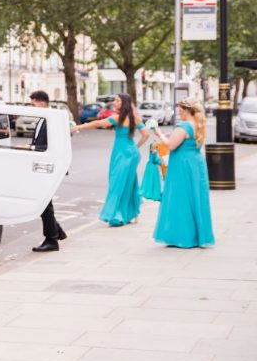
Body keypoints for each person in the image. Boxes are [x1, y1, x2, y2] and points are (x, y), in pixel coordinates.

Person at [72, 92, 149, 226]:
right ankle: (131, 213)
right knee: (129, 183)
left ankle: (116, 214)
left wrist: (78, 127)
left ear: (123, 104)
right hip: (131, 152)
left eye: (117, 100)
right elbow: (146, 134)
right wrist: (136, 147)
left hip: (121, 153)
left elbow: (97, 123)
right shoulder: (135, 119)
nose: (114, 102)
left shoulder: (117, 118)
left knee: (117, 183)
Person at [150, 99, 214, 248]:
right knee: (195, 198)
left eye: (180, 110)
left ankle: (182, 237)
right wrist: (169, 136)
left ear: (186, 111)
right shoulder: (198, 124)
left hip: (182, 165)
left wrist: (159, 133)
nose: (179, 113)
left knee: (180, 199)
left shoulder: (184, 126)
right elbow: (181, 141)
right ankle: (197, 236)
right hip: (196, 164)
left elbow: (171, 145)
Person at [26, 91, 67, 252]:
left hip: (49, 168)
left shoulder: (52, 120)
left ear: (42, 103)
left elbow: (55, 146)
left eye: (33, 103)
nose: (32, 107)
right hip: (42, 167)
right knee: (45, 202)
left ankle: (52, 240)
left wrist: (32, 147)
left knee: (44, 204)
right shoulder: (44, 119)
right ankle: (57, 232)